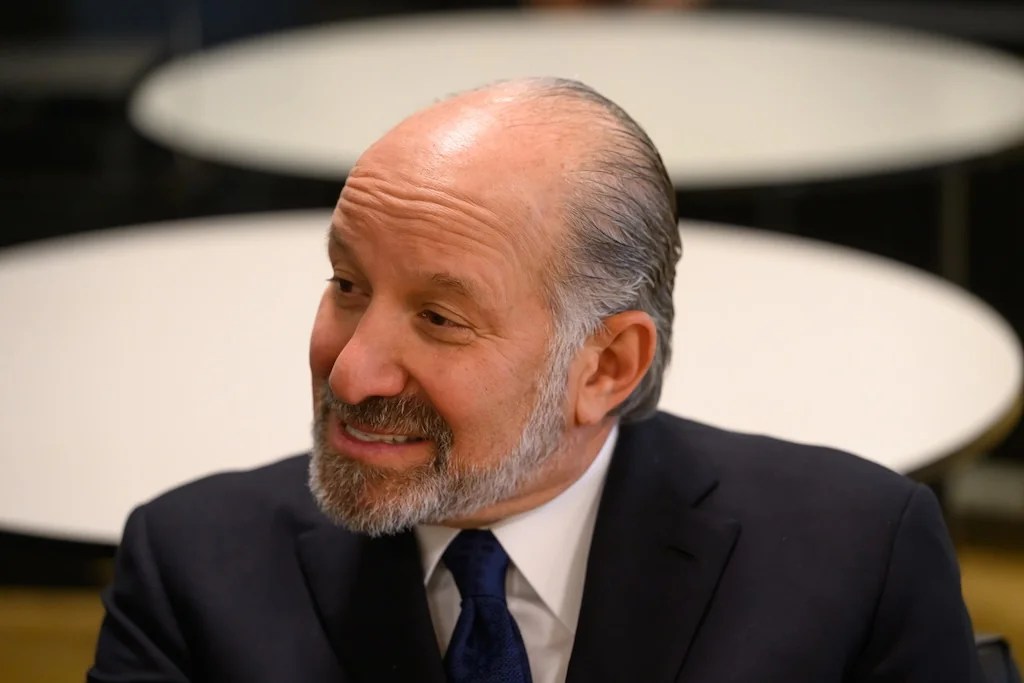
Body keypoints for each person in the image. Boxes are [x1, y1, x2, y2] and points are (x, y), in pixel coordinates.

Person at [89, 77, 982, 683]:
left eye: (440, 319)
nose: (351, 370)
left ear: (606, 366)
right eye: (347, 285)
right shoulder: (186, 571)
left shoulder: (860, 556)